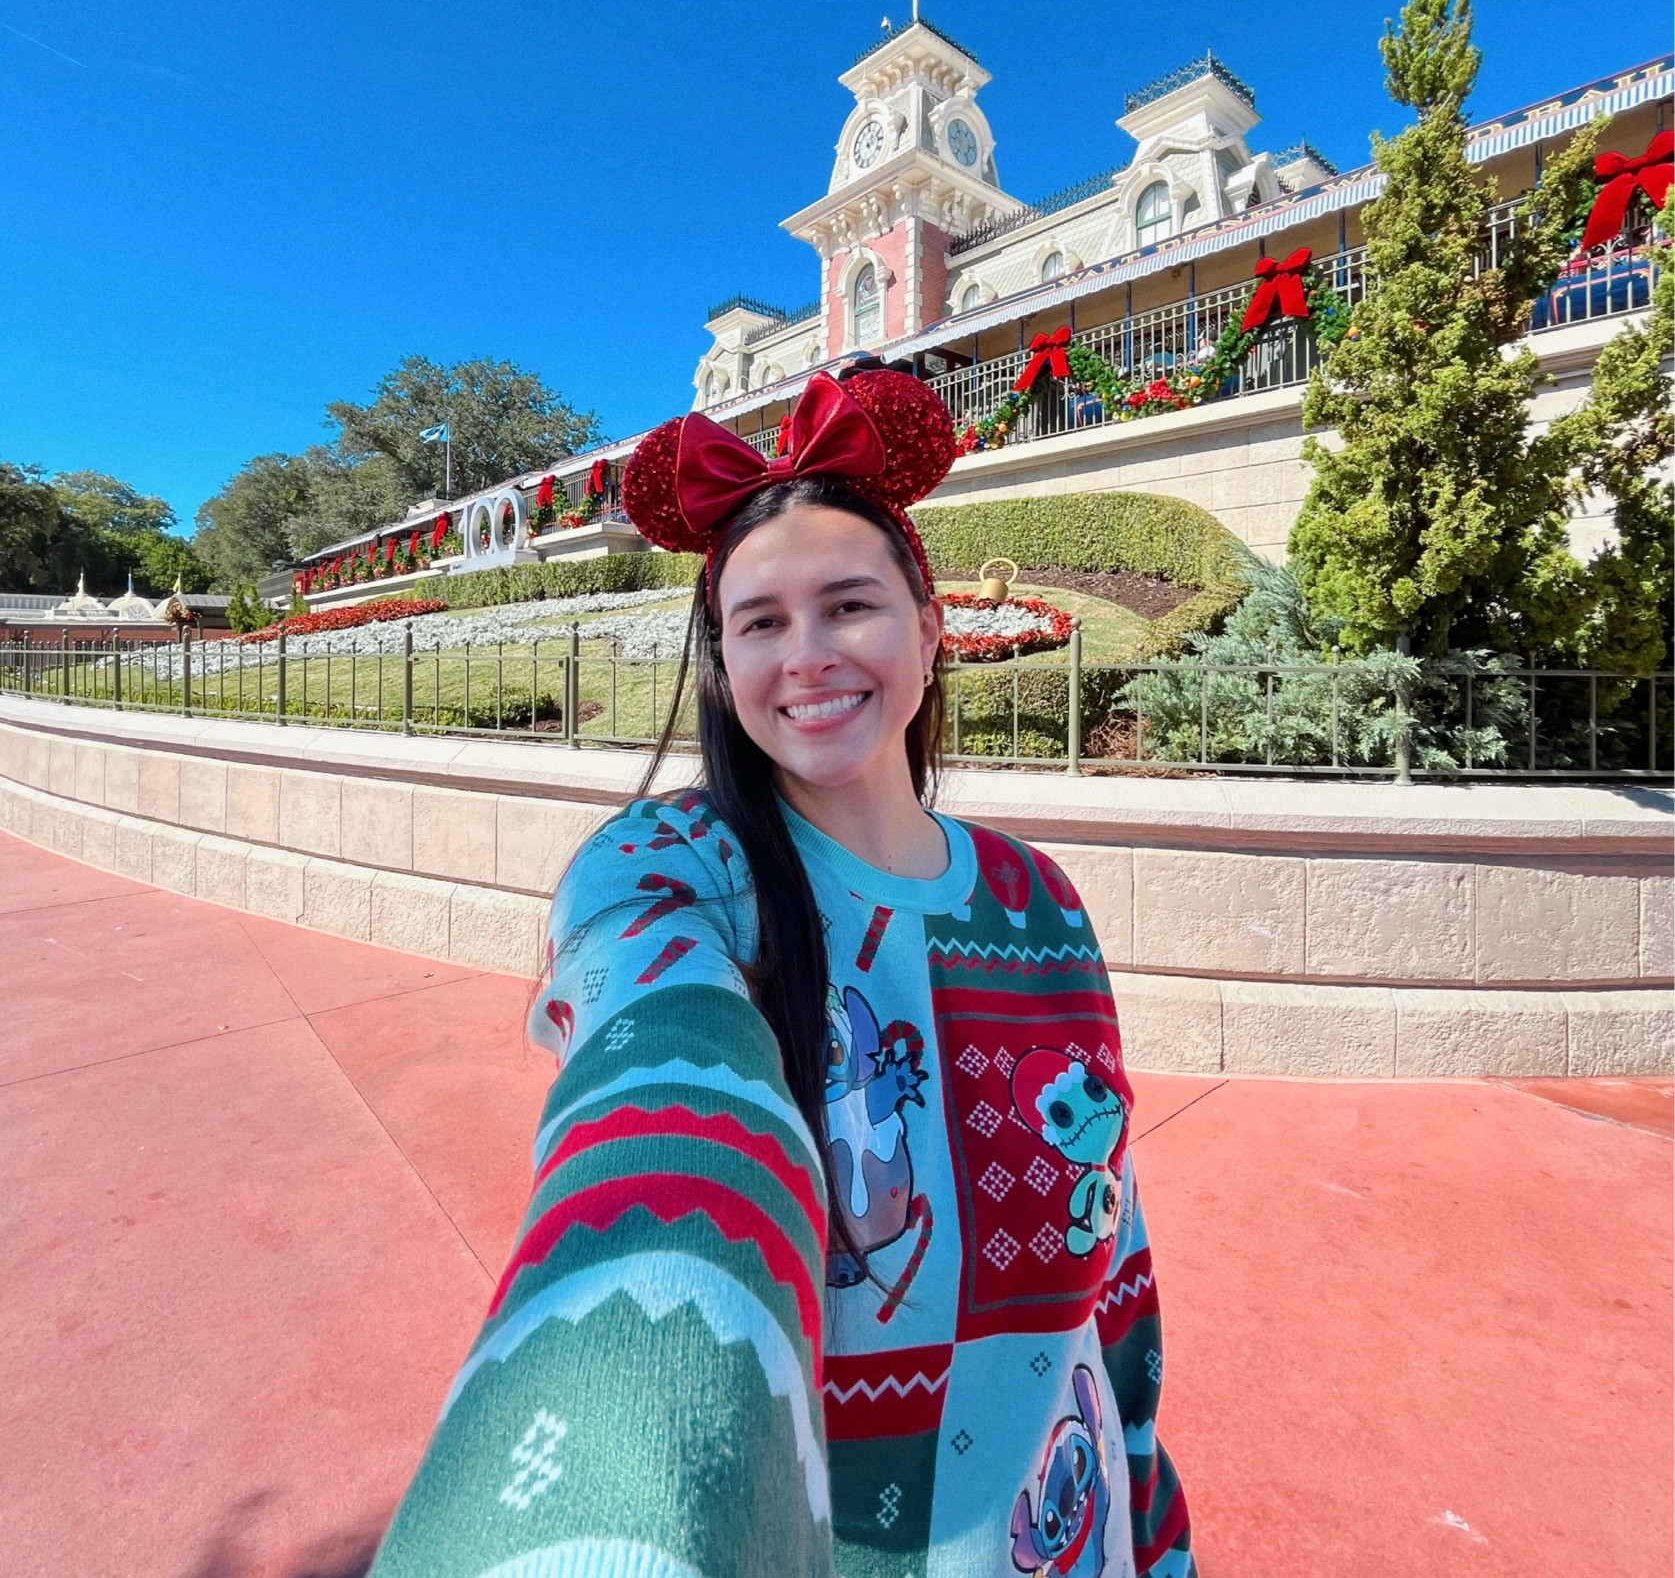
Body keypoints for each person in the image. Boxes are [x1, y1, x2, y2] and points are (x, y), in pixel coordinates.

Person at [371, 365, 1195, 1578]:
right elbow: (666, 1111)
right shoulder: (667, 870)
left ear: (930, 630)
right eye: (759, 622)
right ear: (722, 659)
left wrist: (1156, 1525)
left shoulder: (1040, 901)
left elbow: (1110, 1249)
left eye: (847, 604)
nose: (805, 655)